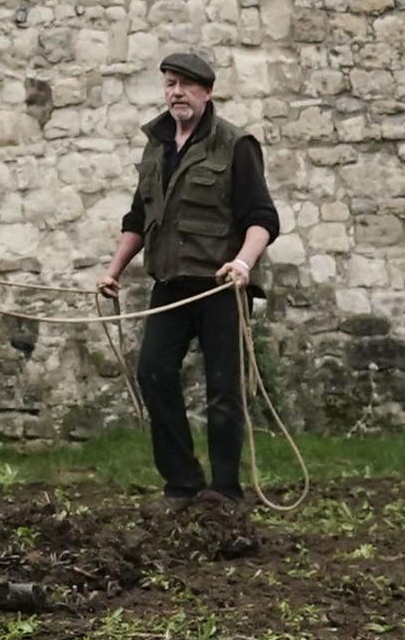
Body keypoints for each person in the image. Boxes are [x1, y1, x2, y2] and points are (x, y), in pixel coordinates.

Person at [92, 49, 278, 506]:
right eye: (170, 83)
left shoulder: (235, 144)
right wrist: (113, 271)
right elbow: (138, 218)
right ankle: (181, 483)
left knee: (223, 391)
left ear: (206, 92)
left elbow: (262, 219)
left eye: (186, 85)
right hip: (170, 286)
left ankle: (226, 492)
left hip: (221, 287)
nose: (176, 93)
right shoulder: (156, 146)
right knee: (153, 371)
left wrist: (243, 263)